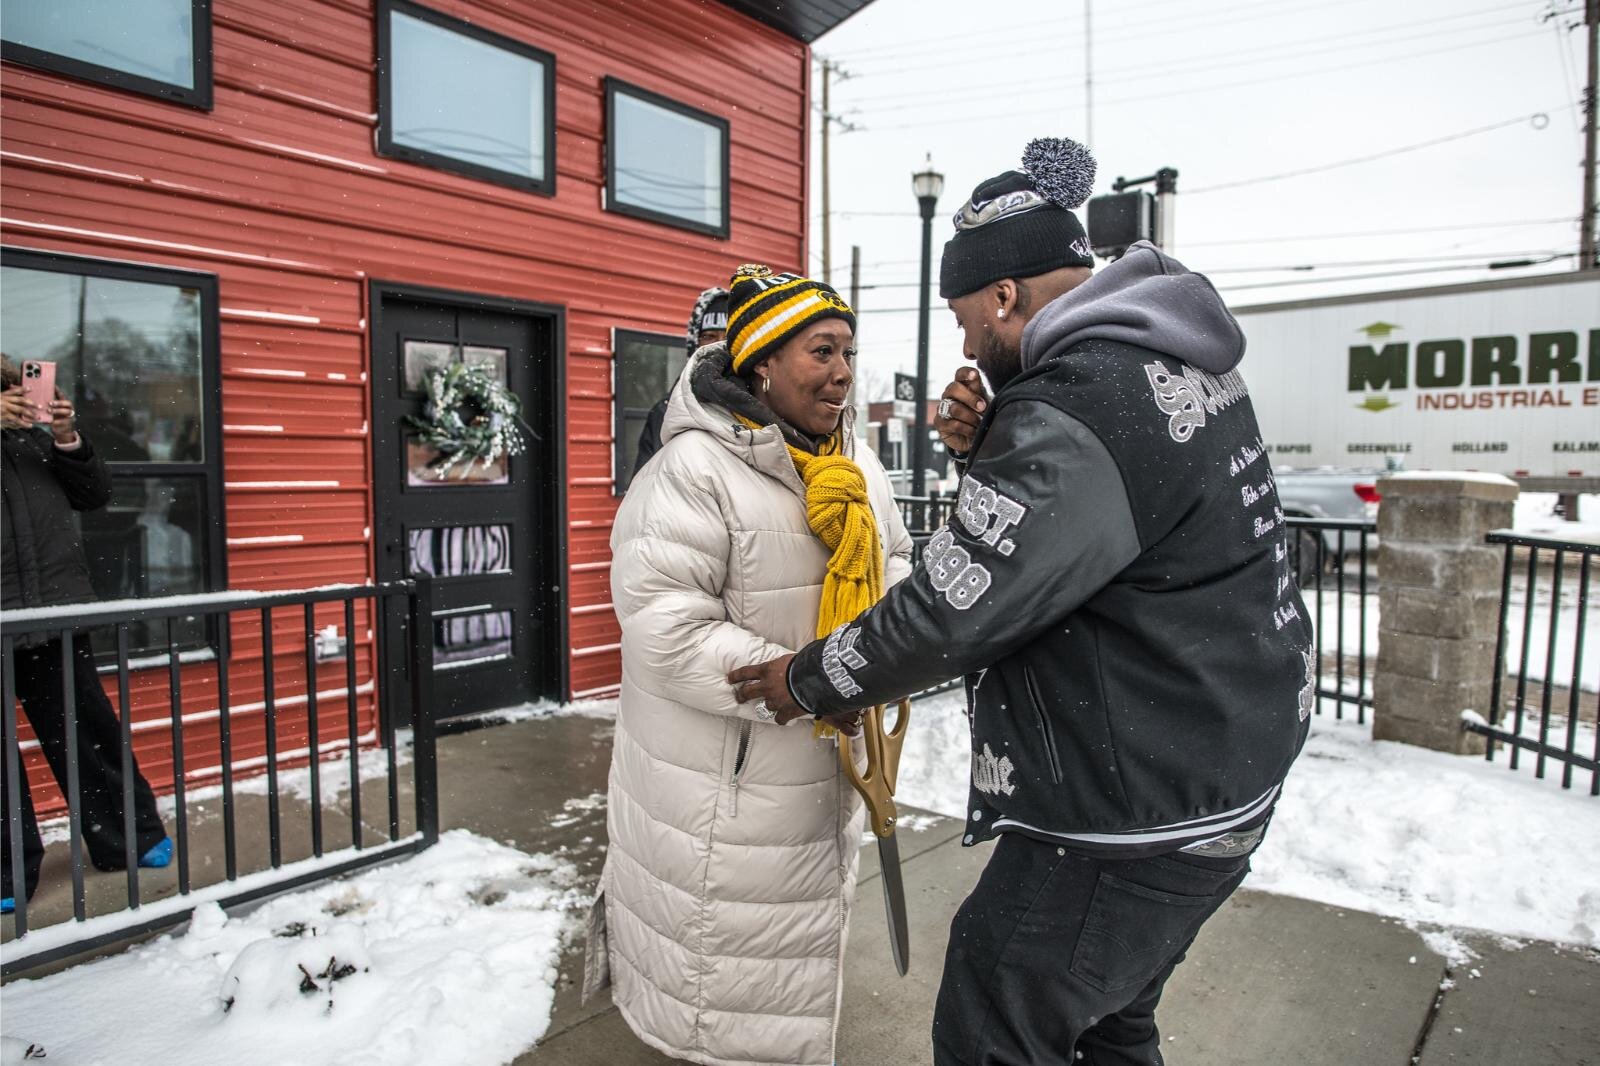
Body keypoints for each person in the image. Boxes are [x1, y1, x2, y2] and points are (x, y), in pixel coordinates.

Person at [729, 138, 1315, 1066]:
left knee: (995, 1011)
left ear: (1004, 295)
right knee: (1107, 1019)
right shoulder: (1165, 358)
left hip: (1136, 809)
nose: (963, 344)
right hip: (1223, 754)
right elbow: (1103, 526)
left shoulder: (1077, 402)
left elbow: (957, 607)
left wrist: (812, 678)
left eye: (964, 317)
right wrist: (998, 442)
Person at [591, 266, 913, 1066]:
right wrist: (808, 678)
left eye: (849, 352)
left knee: (780, 959)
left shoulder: (857, 466)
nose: (843, 372)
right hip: (719, 785)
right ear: (762, 361)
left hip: (814, 768)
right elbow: (664, 628)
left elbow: (897, 561)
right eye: (821, 351)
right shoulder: (690, 471)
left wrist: (873, 655)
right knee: (717, 973)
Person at [1, 355, 171, 914]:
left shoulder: (35, 441)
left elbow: (93, 493)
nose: (15, 398)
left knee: (86, 731)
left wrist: (68, 437)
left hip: (53, 611)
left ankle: (130, 839)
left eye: (15, 388)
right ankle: (6, 875)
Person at [632, 285, 730, 476]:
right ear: (695, 342)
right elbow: (644, 486)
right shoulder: (666, 412)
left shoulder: (764, 403)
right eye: (709, 336)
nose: (719, 344)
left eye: (727, 337)